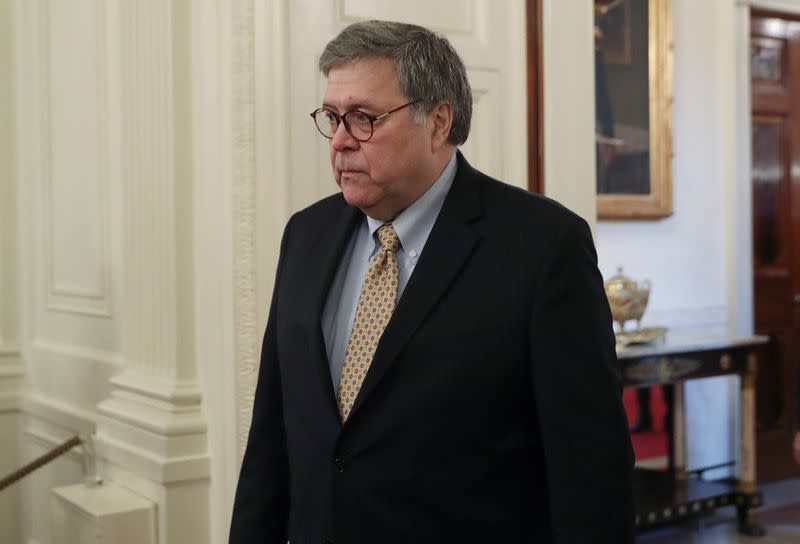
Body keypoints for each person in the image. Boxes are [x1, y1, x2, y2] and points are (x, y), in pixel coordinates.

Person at [229, 20, 635, 544]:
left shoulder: (542, 245)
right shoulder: (306, 234)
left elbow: (590, 466)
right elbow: (271, 437)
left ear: (438, 121)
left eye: (363, 118)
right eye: (332, 118)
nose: (341, 142)